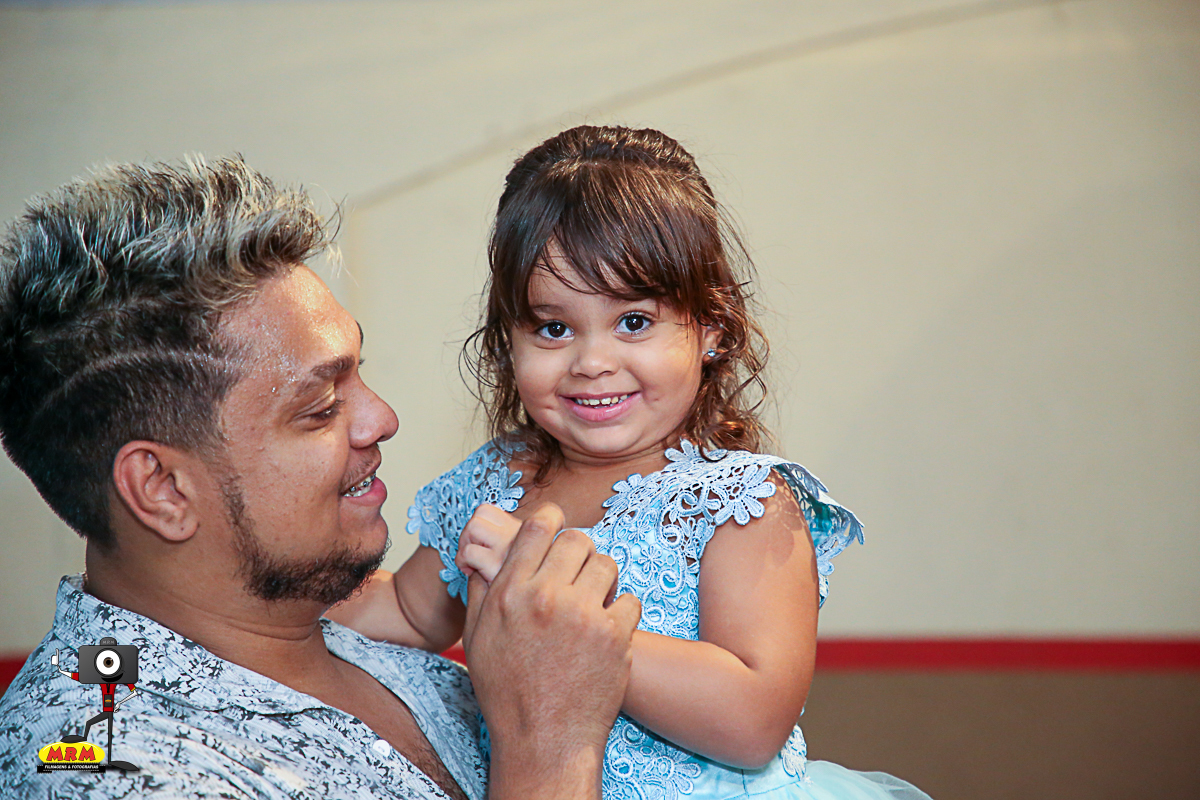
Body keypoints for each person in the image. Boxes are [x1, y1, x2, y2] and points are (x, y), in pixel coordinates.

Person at [0, 157, 640, 799]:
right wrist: (548, 747)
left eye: (359, 374)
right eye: (321, 408)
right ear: (163, 489)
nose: (383, 420)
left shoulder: (368, 638)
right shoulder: (98, 766)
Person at [328, 125, 934, 800]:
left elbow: (753, 718)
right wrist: (254, 592)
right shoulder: (493, 481)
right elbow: (410, 613)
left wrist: (565, 622)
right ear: (506, 342)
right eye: (554, 328)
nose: (592, 362)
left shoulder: (738, 502)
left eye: (634, 322)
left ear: (711, 328)